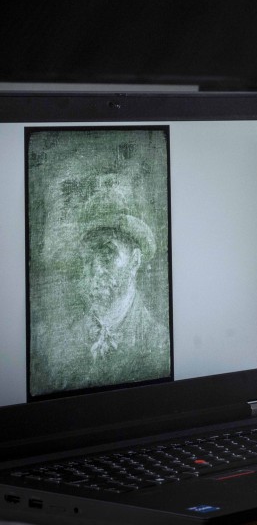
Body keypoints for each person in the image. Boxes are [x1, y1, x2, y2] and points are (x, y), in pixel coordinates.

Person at [30, 168, 172, 397]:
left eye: (107, 253)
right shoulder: (59, 345)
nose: (94, 268)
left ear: (135, 261)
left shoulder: (160, 344)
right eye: (87, 256)